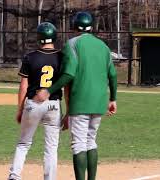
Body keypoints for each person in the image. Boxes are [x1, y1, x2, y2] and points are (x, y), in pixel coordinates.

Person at [34, 12, 118, 180]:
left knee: (79, 144)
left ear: (74, 27)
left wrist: (48, 90)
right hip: (99, 101)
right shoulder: (103, 46)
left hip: (80, 101)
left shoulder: (72, 44)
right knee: (91, 141)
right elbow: (113, 75)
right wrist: (113, 99)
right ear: (92, 27)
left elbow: (68, 75)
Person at [8, 22, 62, 180]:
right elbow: (67, 85)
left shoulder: (30, 57)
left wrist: (19, 109)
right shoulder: (61, 57)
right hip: (53, 104)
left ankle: (14, 176)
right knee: (51, 148)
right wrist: (68, 112)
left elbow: (23, 87)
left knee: (24, 143)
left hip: (33, 104)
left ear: (39, 38)